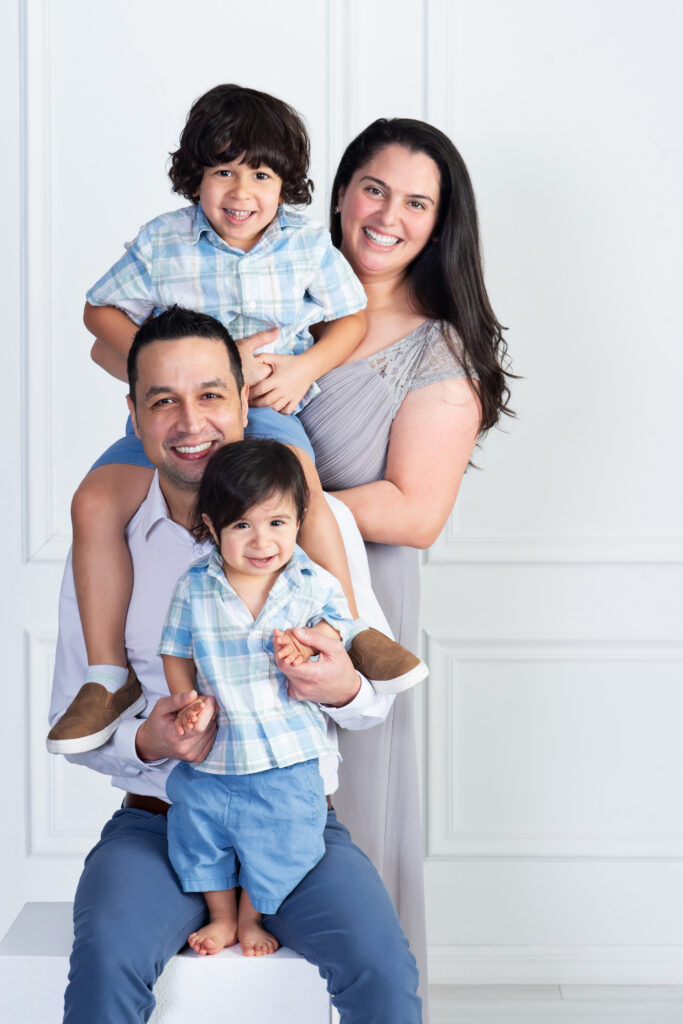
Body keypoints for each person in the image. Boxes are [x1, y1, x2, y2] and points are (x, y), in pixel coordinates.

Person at [48, 306, 423, 1023]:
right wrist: (150, 740)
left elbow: (372, 697)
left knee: (381, 970)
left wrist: (339, 684)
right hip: (159, 822)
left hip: (294, 821)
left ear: (245, 400)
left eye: (211, 395)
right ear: (134, 414)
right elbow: (77, 717)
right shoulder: (110, 539)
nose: (191, 423)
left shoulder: (315, 524)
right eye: (164, 400)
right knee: (105, 963)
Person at [49, 85, 422, 754]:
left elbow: (350, 318)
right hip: (175, 418)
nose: (240, 190)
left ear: (286, 184)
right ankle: (107, 678)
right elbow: (96, 314)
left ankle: (355, 629)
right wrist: (167, 367)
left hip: (261, 414)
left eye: (260, 173)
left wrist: (304, 370)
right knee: (93, 501)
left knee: (300, 488)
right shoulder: (164, 241)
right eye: (222, 171)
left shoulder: (303, 248)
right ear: (195, 178)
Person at [278, 117, 513, 1016]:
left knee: (352, 822)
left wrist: (274, 506)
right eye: (374, 188)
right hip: (242, 589)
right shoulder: (281, 298)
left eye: (417, 202)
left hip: (357, 600)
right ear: (340, 193)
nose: (389, 215)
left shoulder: (436, 348)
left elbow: (416, 513)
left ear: (439, 223)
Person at [160, 439, 361, 957]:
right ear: (212, 525)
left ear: (298, 521)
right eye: (241, 525)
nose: (261, 540)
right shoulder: (196, 587)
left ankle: (252, 916)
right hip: (215, 755)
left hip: (284, 755)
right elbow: (175, 648)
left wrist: (312, 649)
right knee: (198, 834)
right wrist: (186, 700)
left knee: (281, 841)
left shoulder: (311, 584)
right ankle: (222, 916)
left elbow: (340, 633)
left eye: (276, 523)